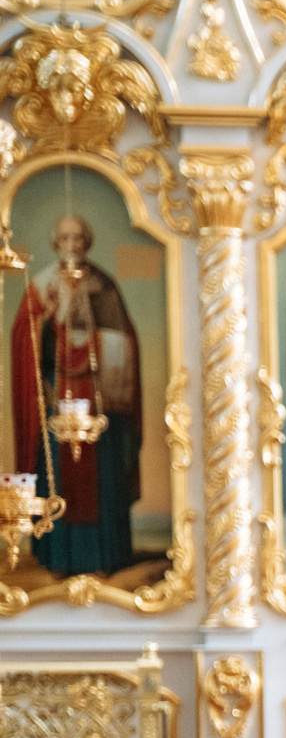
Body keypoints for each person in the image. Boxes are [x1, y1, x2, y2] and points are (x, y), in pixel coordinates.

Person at [16, 213, 144, 580]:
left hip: (97, 399)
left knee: (100, 478)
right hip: (58, 396)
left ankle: (103, 556)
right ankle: (59, 557)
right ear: (55, 244)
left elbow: (126, 341)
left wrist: (93, 344)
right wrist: (46, 322)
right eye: (65, 239)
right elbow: (23, 340)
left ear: (87, 244)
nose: (72, 245)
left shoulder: (103, 285)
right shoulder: (41, 287)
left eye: (78, 239)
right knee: (59, 476)